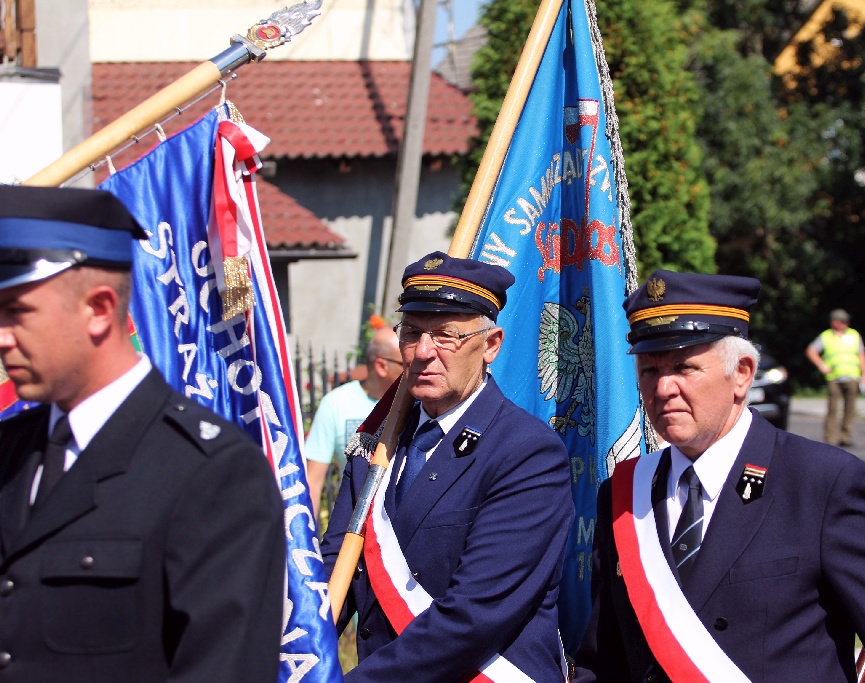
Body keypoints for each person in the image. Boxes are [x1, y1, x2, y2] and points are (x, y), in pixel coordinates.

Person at [573, 270, 865, 683]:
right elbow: (604, 657)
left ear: (742, 373)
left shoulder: (821, 483)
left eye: (684, 368)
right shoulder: (626, 492)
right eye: (649, 370)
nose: (663, 388)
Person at [0, 185, 285, 681]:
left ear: (99, 309)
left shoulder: (211, 472)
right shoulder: (10, 451)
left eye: (17, 313)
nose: (1, 337)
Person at [320, 252, 573, 682]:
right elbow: (335, 567)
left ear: (490, 345)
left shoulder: (527, 453)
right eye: (412, 333)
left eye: (445, 336)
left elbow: (474, 616)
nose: (422, 352)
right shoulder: (377, 444)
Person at [305, 324, 403, 518]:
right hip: (351, 526)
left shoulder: (419, 403)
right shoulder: (336, 403)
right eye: (405, 363)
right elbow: (313, 481)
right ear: (382, 366)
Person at [805, 308, 865, 446]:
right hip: (834, 377)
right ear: (834, 322)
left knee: (850, 408)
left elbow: (861, 354)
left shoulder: (854, 335)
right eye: (842, 321)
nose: (845, 324)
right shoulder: (827, 336)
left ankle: (845, 436)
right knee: (832, 409)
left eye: (846, 321)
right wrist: (821, 365)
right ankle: (830, 438)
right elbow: (811, 351)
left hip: (852, 377)